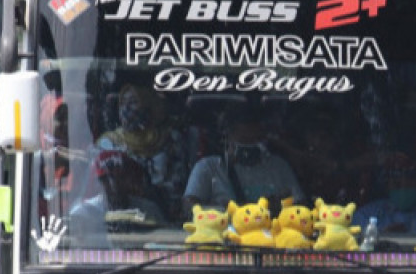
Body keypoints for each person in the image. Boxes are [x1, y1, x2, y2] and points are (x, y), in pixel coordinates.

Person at [182, 103, 305, 215]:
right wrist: (222, 211)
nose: (250, 145)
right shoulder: (208, 168)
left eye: (256, 140)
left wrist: (280, 207)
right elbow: (189, 206)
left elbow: (301, 205)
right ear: (228, 137)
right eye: (244, 140)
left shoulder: (279, 167)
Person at [96, 84, 190, 217]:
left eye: (133, 102)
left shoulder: (171, 139)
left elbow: (178, 184)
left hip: (164, 214)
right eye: (123, 102)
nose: (126, 108)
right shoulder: (107, 142)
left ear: (150, 105)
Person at [66, 150, 167, 248]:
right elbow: (78, 253)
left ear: (130, 179)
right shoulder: (82, 215)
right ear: (98, 182)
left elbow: (162, 245)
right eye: (106, 178)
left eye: (120, 177)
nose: (114, 184)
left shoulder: (148, 211)